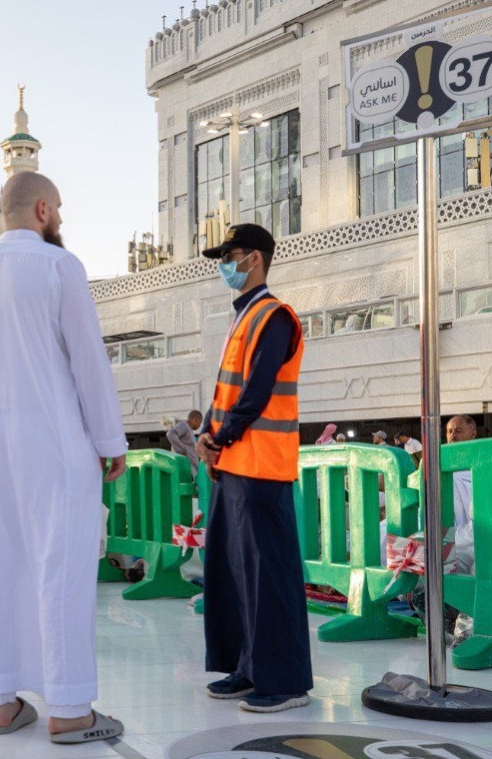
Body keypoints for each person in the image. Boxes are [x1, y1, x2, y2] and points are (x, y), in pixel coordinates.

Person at [0, 171, 127, 743]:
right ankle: (70, 710)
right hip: (57, 444)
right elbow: (87, 361)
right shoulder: (58, 266)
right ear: (42, 208)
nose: (61, 219)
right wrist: (110, 442)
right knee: (60, 569)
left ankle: (0, 703)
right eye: (60, 209)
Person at [195, 223, 312, 713]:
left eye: (232, 254)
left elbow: (258, 391)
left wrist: (217, 437)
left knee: (269, 574)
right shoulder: (243, 317)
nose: (226, 263)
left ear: (257, 259)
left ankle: (283, 682)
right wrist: (207, 431)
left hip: (260, 465)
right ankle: (248, 667)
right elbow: (228, 391)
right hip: (234, 464)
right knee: (236, 572)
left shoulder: (273, 315)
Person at [447, 415, 477, 574]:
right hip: (458, 546)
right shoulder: (441, 470)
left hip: (482, 541)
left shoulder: (482, 465)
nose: (453, 435)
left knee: (479, 570)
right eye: (449, 431)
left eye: (458, 431)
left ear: (473, 434)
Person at [166, 410, 202, 475]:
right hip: (186, 466)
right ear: (196, 420)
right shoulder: (184, 426)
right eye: (200, 423)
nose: (199, 426)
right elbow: (170, 434)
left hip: (190, 467)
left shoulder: (189, 429)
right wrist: (181, 449)